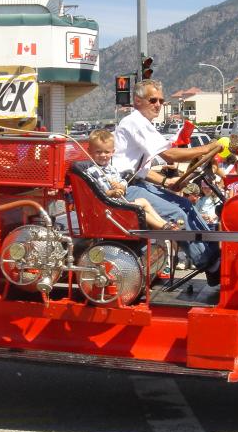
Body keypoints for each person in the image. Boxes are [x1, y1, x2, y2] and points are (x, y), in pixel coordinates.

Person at [112, 79, 223, 284]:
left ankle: (214, 256)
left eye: (161, 101)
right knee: (177, 213)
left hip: (134, 182)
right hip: (122, 189)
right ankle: (211, 264)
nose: (158, 105)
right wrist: (208, 148)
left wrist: (166, 182)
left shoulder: (143, 124)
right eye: (153, 100)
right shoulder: (135, 122)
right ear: (138, 101)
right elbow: (170, 155)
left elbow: (141, 170)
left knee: (185, 204)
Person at [86, 130, 175, 230]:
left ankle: (163, 223)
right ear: (89, 151)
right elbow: (95, 194)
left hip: (118, 203)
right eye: (98, 152)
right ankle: (162, 227)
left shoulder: (111, 168)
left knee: (143, 201)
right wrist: (112, 193)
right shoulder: (91, 172)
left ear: (112, 152)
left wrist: (121, 187)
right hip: (107, 208)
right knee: (137, 209)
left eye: (107, 152)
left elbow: (122, 181)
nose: (103, 155)